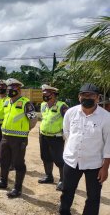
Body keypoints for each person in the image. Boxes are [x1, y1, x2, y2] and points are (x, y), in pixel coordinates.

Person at [59, 83, 110, 215]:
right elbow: (67, 134)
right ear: (79, 97)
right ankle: (64, 212)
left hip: (94, 164)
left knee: (93, 197)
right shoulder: (70, 113)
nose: (87, 97)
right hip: (72, 161)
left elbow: (108, 143)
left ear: (98, 98)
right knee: (67, 191)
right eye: (84, 95)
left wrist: (105, 167)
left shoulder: (106, 117)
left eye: (91, 95)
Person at [0, 78, 37, 198]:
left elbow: (33, 120)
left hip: (19, 138)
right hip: (5, 136)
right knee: (3, 160)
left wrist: (24, 131)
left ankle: (17, 188)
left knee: (18, 164)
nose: (11, 90)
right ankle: (3, 181)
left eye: (14, 88)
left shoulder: (26, 103)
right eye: (9, 88)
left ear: (19, 90)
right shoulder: (7, 102)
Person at [38, 84, 68, 191]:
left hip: (56, 137)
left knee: (59, 159)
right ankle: (48, 176)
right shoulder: (43, 105)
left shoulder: (61, 106)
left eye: (47, 94)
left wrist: (67, 134)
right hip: (43, 135)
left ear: (54, 94)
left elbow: (69, 120)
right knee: (45, 156)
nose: (44, 95)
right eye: (43, 93)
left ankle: (63, 180)